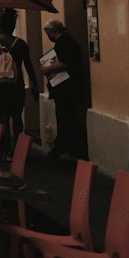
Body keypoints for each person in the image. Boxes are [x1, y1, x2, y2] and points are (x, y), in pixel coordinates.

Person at [0, 8, 39, 160]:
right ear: (13, 25)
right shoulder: (21, 44)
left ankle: (5, 151)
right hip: (16, 86)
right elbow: (28, 66)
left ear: (1, 25)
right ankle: (19, 150)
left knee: (2, 118)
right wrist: (35, 85)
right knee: (17, 117)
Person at [41, 17, 87, 159]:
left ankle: (68, 146)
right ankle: (67, 145)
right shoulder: (67, 42)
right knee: (66, 115)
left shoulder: (64, 43)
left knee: (65, 116)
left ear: (53, 31)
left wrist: (47, 68)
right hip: (67, 87)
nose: (47, 36)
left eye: (48, 32)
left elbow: (65, 62)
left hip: (67, 87)